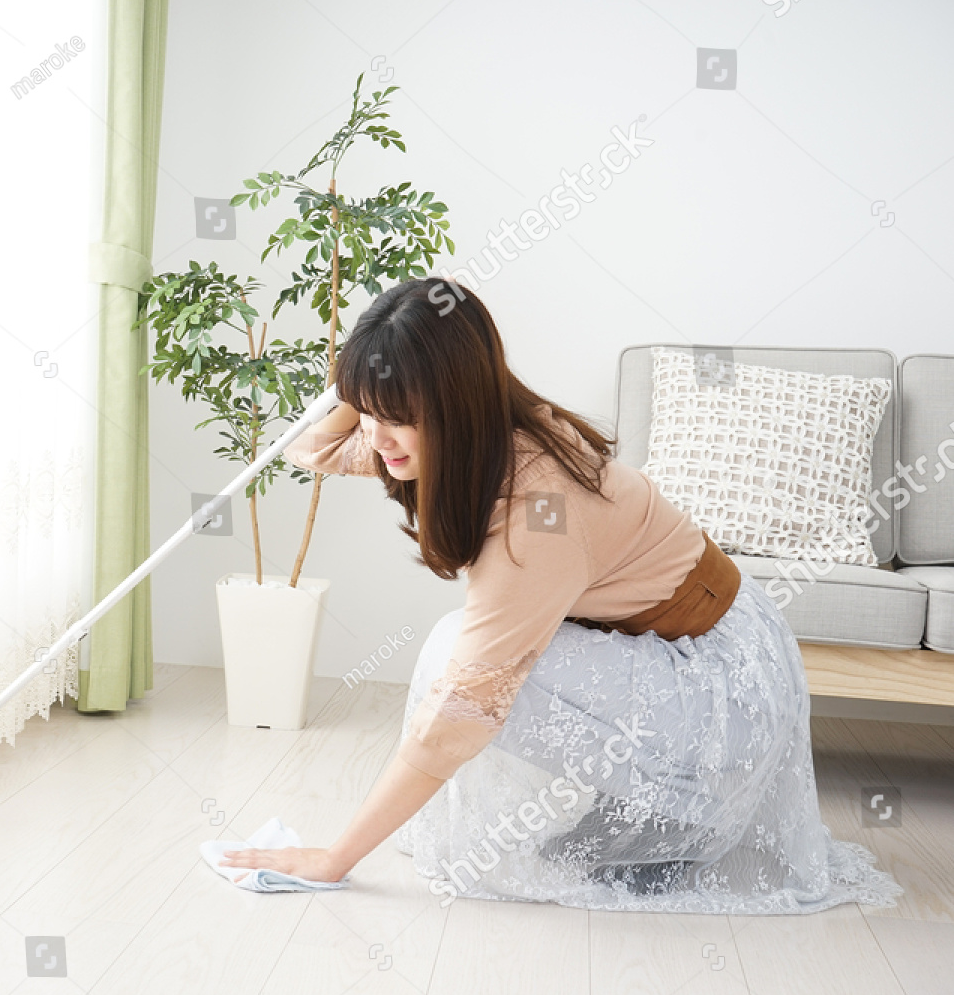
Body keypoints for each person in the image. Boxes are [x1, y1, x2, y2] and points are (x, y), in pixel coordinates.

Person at [221, 278, 900, 913]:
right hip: (685, 646)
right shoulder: (474, 436)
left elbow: (461, 715)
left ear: (454, 403)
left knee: (459, 667)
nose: (375, 438)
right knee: (459, 653)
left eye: (396, 418)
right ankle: (658, 813)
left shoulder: (537, 511)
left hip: (721, 684)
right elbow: (310, 447)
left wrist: (337, 855)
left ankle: (681, 810)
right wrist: (369, 374)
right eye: (367, 415)